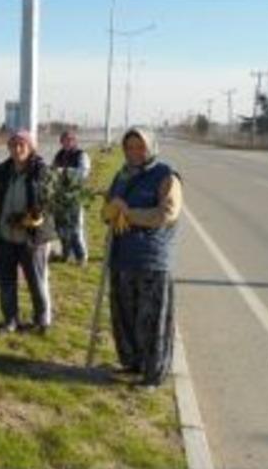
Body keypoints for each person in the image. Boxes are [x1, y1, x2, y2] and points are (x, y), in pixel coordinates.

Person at [102, 126, 183, 388]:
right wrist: (111, 211)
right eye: (130, 147)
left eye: (140, 147)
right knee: (125, 316)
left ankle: (153, 374)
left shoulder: (166, 177)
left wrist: (129, 213)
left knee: (151, 321)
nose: (135, 152)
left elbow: (165, 215)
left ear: (151, 147)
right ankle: (133, 363)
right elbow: (106, 213)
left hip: (152, 260)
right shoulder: (121, 176)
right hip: (122, 257)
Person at [0, 129, 57, 334]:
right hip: (5, 235)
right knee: (6, 281)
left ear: (31, 147)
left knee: (36, 280)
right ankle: (10, 320)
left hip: (32, 237)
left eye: (22, 144)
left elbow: (51, 202)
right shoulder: (0, 171)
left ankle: (42, 320)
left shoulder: (42, 171)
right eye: (13, 145)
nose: (17, 149)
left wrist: (36, 218)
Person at [51, 129, 91, 265]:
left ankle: (81, 257)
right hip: (60, 196)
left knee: (75, 227)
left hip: (75, 195)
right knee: (61, 227)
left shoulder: (81, 155)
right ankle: (66, 253)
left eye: (70, 140)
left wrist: (65, 171)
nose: (67, 142)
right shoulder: (59, 155)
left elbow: (83, 173)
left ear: (75, 141)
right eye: (64, 140)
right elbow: (52, 172)